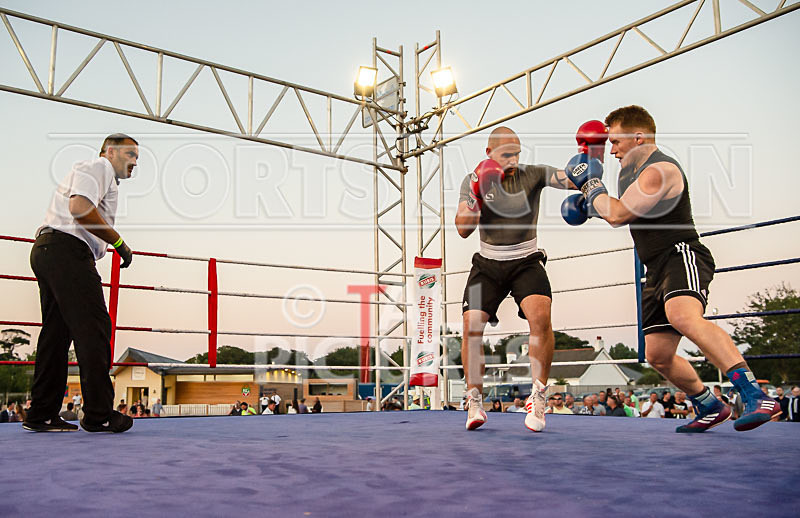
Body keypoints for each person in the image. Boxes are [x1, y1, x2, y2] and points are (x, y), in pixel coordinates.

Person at [573, 106, 781, 432]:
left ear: (638, 137)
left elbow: (617, 214)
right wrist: (587, 199)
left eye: (615, 141)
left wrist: (590, 186)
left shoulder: (660, 170)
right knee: (657, 354)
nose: (612, 150)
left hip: (680, 253)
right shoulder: (631, 175)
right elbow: (614, 208)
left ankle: (755, 394)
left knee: (683, 316)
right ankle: (709, 404)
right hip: (655, 268)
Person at [456, 127, 586, 432]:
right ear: (489, 153)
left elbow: (570, 179)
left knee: (540, 317)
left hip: (526, 260)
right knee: (471, 327)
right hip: (488, 263)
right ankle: (474, 401)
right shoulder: (472, 179)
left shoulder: (533, 173)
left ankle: (538, 396)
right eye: (506, 154)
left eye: (517, 153)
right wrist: (477, 193)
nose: (513, 160)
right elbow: (463, 229)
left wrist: (590, 153)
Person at [23, 134, 138, 434]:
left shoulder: (99, 174)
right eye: (130, 154)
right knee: (95, 328)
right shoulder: (100, 167)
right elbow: (79, 208)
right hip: (68, 251)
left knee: (56, 335)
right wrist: (119, 242)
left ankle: (41, 414)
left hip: (49, 249)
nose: (135, 162)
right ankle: (99, 414)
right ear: (110, 152)